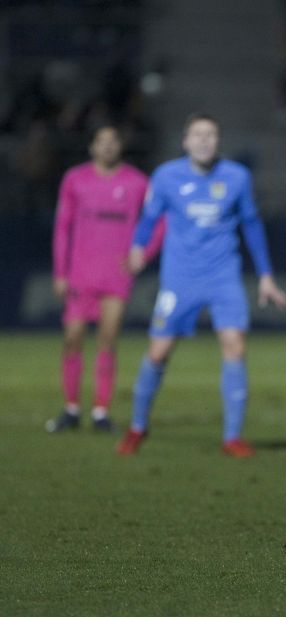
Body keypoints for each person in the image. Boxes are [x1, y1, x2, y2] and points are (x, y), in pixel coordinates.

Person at [116, 113, 286, 457]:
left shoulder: (237, 178)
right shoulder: (166, 176)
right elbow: (149, 218)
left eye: (210, 135)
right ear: (186, 141)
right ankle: (137, 427)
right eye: (198, 134)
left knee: (235, 348)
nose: (204, 140)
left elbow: (252, 226)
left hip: (223, 277)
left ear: (218, 141)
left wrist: (266, 275)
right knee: (158, 353)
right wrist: (138, 247)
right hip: (179, 279)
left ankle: (232, 437)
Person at [47, 125, 163, 433]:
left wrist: (144, 254)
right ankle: (71, 409)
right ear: (91, 147)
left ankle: (100, 412)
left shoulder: (137, 182)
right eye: (102, 142)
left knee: (107, 340)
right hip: (79, 274)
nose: (108, 147)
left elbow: (160, 219)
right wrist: (60, 271)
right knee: (72, 339)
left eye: (114, 141)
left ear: (120, 147)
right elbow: (62, 227)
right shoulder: (75, 179)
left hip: (116, 275)